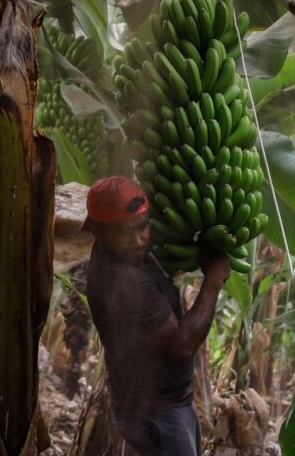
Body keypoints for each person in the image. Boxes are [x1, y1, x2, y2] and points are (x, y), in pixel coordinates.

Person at [83, 175, 230, 455]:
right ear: (97, 231)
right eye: (125, 232)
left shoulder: (120, 252)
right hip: (157, 415)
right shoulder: (124, 282)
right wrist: (213, 280)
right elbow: (183, 344)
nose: (139, 240)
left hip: (156, 408)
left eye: (143, 226)